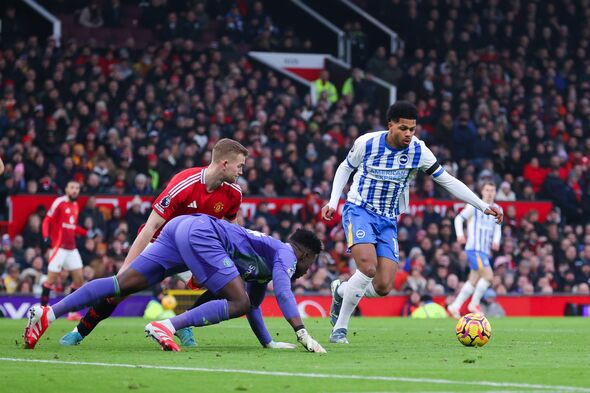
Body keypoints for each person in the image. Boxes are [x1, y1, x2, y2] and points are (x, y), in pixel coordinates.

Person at [321, 101, 503, 344]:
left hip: (388, 218)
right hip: (359, 209)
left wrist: (482, 205)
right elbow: (345, 168)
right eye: (403, 128)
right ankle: (340, 329)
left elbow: (447, 181)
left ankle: (341, 291)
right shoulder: (367, 142)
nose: (408, 134)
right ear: (391, 126)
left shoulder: (419, 151)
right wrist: (333, 201)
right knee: (367, 267)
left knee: (384, 285)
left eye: (412, 129)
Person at [24, 214, 326, 354]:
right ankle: (168, 326)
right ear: (305, 254)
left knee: (121, 283)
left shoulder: (268, 262)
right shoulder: (287, 253)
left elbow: (255, 306)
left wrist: (268, 342)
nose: (306, 270)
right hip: (204, 233)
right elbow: (284, 293)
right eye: (309, 263)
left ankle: (47, 314)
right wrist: (301, 332)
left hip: (179, 229)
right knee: (237, 300)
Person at [60, 139, 248, 347]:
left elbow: (232, 230)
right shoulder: (185, 182)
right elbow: (150, 227)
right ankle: (79, 331)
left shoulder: (234, 193)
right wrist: (126, 268)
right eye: (239, 166)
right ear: (224, 164)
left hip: (194, 250)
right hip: (161, 244)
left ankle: (179, 322)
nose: (241, 171)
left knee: (224, 286)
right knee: (120, 291)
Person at [447, 182, 502, 317]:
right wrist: (460, 234)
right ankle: (474, 304)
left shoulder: (498, 208)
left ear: (495, 192)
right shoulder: (474, 205)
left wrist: (496, 241)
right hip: (474, 249)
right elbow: (459, 218)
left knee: (473, 280)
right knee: (489, 277)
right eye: (487, 190)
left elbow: (498, 227)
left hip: (484, 250)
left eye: (492, 190)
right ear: (482, 192)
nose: (490, 193)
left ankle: (455, 306)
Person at [40, 181, 89, 320]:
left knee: (79, 280)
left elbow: (72, 227)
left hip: (72, 248)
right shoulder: (59, 202)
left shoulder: (75, 205)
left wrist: (87, 233)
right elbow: (46, 220)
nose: (75, 190)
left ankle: (72, 313)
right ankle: (42, 312)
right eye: (72, 187)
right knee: (51, 281)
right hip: (59, 248)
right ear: (66, 189)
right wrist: (45, 236)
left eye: (77, 188)